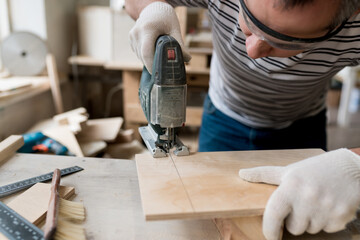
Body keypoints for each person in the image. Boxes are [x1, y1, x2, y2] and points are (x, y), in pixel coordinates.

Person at [125, 0, 360, 239]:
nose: (252, 50)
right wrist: (153, 9)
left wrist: (353, 166)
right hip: (224, 118)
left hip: (303, 127)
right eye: (249, 21)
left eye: (282, 40)